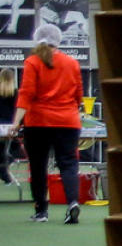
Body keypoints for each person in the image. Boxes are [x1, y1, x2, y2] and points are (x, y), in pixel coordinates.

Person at [9, 25, 84, 223]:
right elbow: (79, 96)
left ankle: (41, 210)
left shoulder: (33, 62)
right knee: (68, 164)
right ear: (58, 41)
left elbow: (26, 94)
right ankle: (73, 203)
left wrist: (16, 122)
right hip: (68, 122)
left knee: (38, 166)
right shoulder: (72, 63)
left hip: (38, 123)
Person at [0, 67, 17, 185]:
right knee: (14, 147)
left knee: (2, 149)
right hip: (10, 126)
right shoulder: (16, 93)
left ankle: (4, 164)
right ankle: (6, 163)